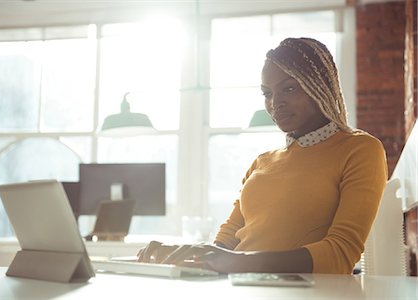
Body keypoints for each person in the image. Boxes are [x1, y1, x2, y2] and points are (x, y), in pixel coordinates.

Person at [137, 37, 388, 274]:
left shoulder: (360, 149)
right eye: (267, 93)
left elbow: (341, 254)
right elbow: (226, 241)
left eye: (288, 88)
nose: (275, 103)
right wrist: (182, 253)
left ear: (320, 86)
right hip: (238, 287)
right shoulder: (262, 161)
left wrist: (236, 261)